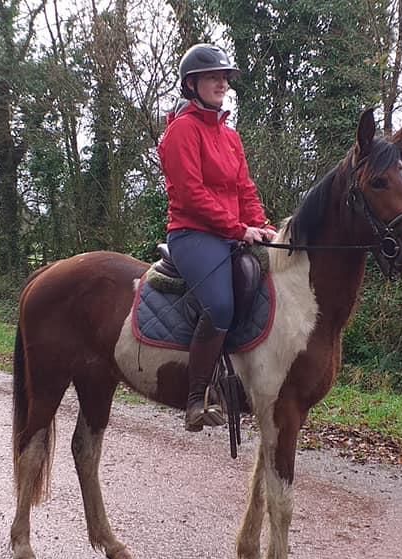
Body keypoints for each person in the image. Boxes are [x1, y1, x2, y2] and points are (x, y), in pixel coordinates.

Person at [159, 43, 277, 432]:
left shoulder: (230, 136)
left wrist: (262, 226)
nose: (222, 83)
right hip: (193, 234)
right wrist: (238, 229)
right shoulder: (181, 132)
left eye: (225, 77)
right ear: (191, 84)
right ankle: (196, 399)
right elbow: (191, 194)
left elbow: (245, 190)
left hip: (230, 232)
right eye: (214, 77)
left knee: (265, 286)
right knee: (220, 306)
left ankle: (239, 383)